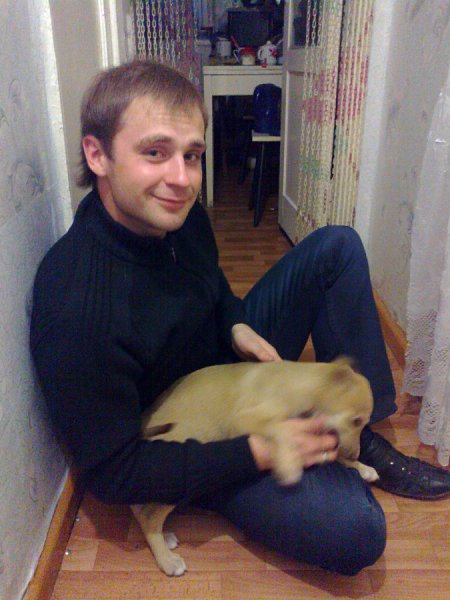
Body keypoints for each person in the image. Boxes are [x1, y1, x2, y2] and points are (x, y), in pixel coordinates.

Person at [30, 60, 450, 576]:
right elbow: (115, 473)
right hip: (199, 434)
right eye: (155, 152)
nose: (181, 179)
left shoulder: (179, 215)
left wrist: (236, 323)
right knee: (360, 532)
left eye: (192, 155)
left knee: (337, 247)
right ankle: (320, 450)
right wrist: (258, 451)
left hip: (229, 365)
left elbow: (212, 285)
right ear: (97, 154)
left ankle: (362, 431)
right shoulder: (76, 306)